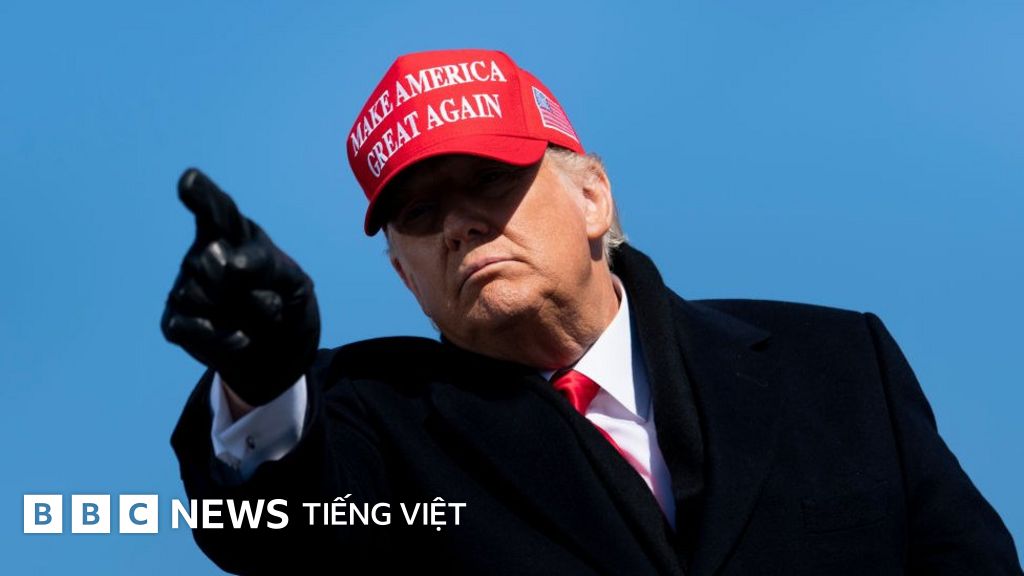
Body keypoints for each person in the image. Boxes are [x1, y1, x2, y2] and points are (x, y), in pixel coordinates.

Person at [162, 49, 1022, 575]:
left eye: (490, 181)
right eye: (419, 215)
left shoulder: (835, 364)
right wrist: (260, 383)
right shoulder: (367, 421)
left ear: (592, 197)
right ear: (404, 276)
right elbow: (280, 535)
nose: (460, 224)